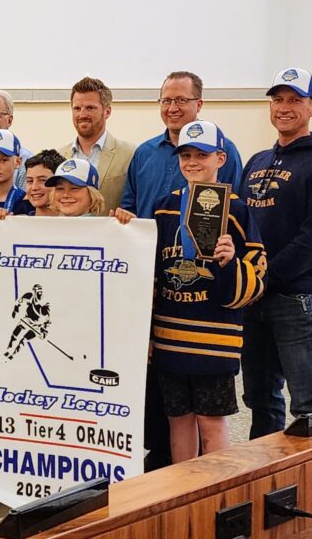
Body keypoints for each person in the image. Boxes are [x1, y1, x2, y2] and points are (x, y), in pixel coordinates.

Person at [119, 120, 266, 463]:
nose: (193, 161)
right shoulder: (163, 207)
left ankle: (218, 494)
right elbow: (149, 273)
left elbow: (258, 278)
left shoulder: (238, 210)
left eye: (202, 154)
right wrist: (148, 334)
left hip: (215, 339)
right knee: (178, 423)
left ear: (221, 157)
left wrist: (229, 263)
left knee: (212, 425)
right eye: (186, 154)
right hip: (170, 337)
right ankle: (181, 495)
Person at [239, 67, 312, 439]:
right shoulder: (255, 163)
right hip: (254, 300)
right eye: (278, 100)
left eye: (295, 100)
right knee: (260, 398)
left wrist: (262, 277)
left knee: (310, 404)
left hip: (296, 299)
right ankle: (264, 480)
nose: (284, 107)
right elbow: (241, 227)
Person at [120, 72, 243, 219]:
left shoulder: (222, 150)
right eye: (166, 101)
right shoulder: (144, 153)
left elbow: (234, 208)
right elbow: (129, 206)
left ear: (199, 105)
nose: (172, 108)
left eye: (181, 100)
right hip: (147, 240)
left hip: (196, 240)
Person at [57, 77, 136, 209]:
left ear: (107, 112)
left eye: (90, 108)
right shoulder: (59, 156)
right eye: (77, 108)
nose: (82, 114)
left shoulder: (130, 154)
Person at [22, 151, 66, 216]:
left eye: (42, 180)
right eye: (30, 181)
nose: (34, 187)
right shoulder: (19, 222)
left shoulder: (74, 223)